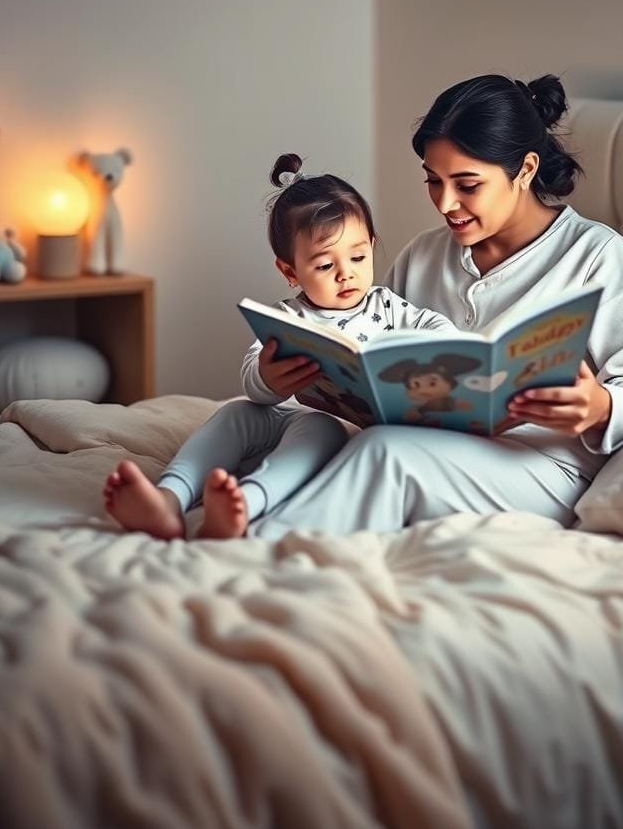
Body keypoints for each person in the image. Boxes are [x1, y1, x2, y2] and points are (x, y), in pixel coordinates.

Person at [249, 73, 623, 539]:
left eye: (467, 185)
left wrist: (600, 406)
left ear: (526, 170)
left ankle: (249, 549)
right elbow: (370, 351)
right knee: (266, 422)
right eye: (433, 181)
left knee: (388, 452)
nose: (446, 203)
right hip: (427, 445)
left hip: (540, 469)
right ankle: (206, 500)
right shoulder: (424, 254)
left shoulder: (596, 255)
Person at [103, 153, 455, 540]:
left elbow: (434, 326)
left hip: (334, 429)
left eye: (358, 256)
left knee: (319, 427)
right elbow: (254, 373)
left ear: (372, 245)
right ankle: (168, 498)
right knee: (235, 413)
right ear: (290, 271)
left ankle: (245, 504)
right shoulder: (288, 317)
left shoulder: (388, 306)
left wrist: (441, 346)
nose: (346, 273)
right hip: (282, 415)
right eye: (324, 266)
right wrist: (268, 378)